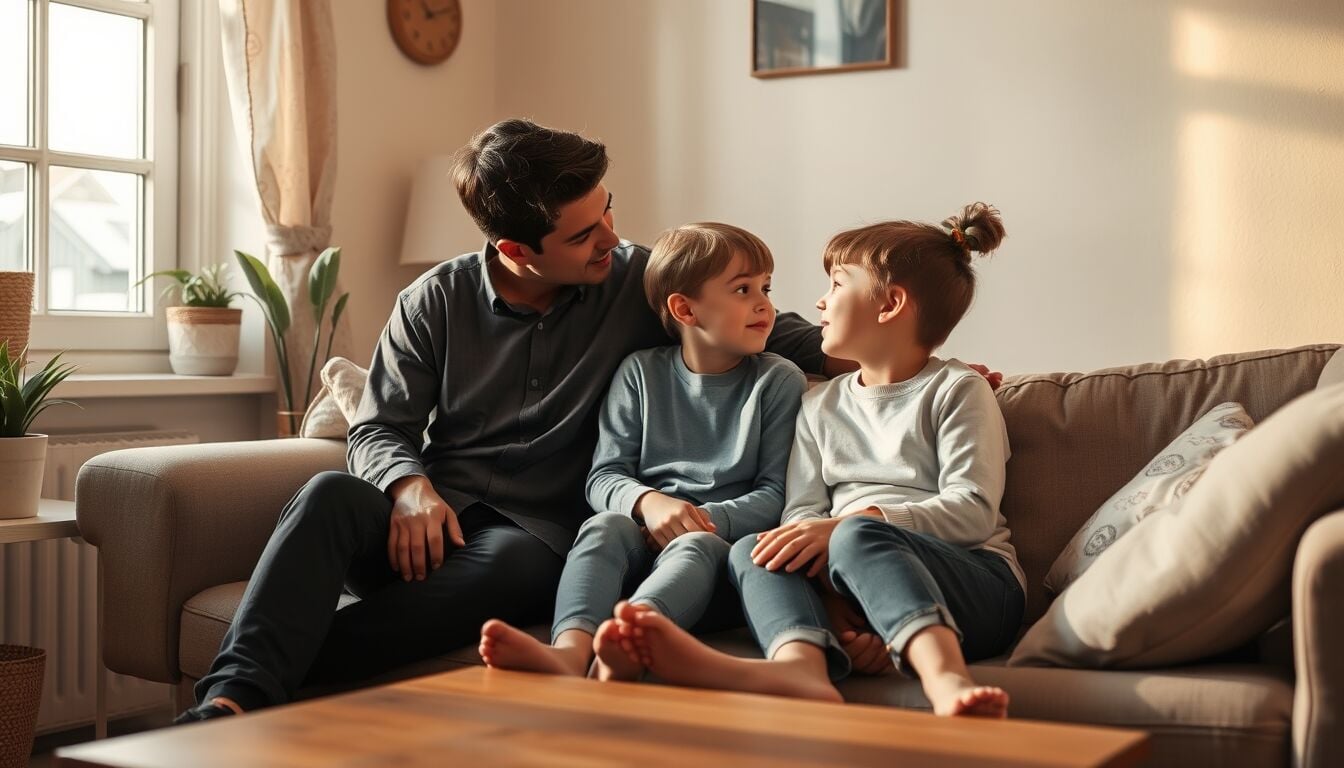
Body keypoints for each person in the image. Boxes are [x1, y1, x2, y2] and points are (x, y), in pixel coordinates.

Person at [174, 120, 835, 722]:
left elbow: (776, 330)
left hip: (533, 540)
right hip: (429, 524)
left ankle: (251, 688)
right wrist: (408, 488)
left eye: (606, 211)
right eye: (582, 235)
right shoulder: (436, 299)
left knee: (513, 563)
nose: (610, 237)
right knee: (325, 496)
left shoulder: (634, 279)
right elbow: (378, 429)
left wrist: (893, 350)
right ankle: (227, 704)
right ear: (515, 246)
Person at [608, 203, 1027, 717]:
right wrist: (835, 607)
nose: (819, 302)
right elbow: (800, 513)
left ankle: (945, 679)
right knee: (754, 549)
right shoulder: (818, 403)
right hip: (850, 579)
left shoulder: (957, 390)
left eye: (836, 285)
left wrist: (853, 526)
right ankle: (801, 667)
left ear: (890, 303)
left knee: (853, 534)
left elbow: (973, 510)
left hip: (976, 587)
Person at [478, 223, 807, 681]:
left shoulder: (778, 381)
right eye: (742, 289)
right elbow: (604, 477)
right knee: (603, 526)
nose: (764, 305)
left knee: (694, 545)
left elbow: (776, 494)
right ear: (684, 309)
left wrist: (699, 520)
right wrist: (649, 505)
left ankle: (630, 639)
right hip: (641, 537)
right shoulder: (639, 374)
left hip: (718, 558)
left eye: (766, 288)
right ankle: (569, 652)